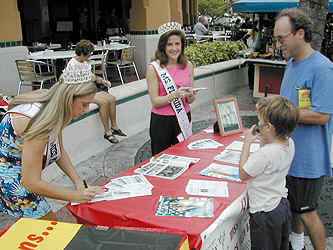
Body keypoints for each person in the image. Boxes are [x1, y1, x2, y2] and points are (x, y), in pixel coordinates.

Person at [0, 62, 105, 220]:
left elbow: (58, 150)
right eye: (84, 104)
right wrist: (74, 196)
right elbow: (31, 182)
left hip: (21, 171)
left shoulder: (54, 109)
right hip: (10, 177)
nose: (87, 110)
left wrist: (78, 182)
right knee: (50, 228)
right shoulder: (40, 121)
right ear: (68, 99)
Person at [274, 8, 333, 250]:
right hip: (289, 153)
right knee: (295, 208)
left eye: (281, 38)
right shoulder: (291, 64)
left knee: (308, 211)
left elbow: (321, 115)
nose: (278, 45)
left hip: (308, 159)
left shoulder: (322, 68)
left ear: (300, 34)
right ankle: (297, 246)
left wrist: (276, 112)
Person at [239, 96, 299, 250]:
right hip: (281, 205)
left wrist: (247, 143)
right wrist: (265, 139)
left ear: (269, 128)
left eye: (260, 123)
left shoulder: (265, 154)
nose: (258, 126)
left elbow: (243, 174)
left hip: (264, 213)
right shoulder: (290, 143)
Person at [146, 22, 197, 155]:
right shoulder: (153, 68)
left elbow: (190, 100)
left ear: (182, 45)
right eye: (169, 44)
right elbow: (155, 101)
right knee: (161, 158)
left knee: (185, 155)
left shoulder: (189, 65)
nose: (174, 48)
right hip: (162, 121)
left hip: (183, 117)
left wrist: (191, 95)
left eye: (177, 44)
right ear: (163, 46)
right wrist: (175, 95)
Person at [66, 40, 126, 144]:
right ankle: (107, 133)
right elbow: (70, 83)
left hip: (88, 89)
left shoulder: (84, 62)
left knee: (111, 98)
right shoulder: (73, 64)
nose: (89, 56)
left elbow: (91, 76)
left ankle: (114, 127)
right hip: (79, 93)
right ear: (82, 53)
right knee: (103, 102)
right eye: (88, 54)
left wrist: (103, 81)